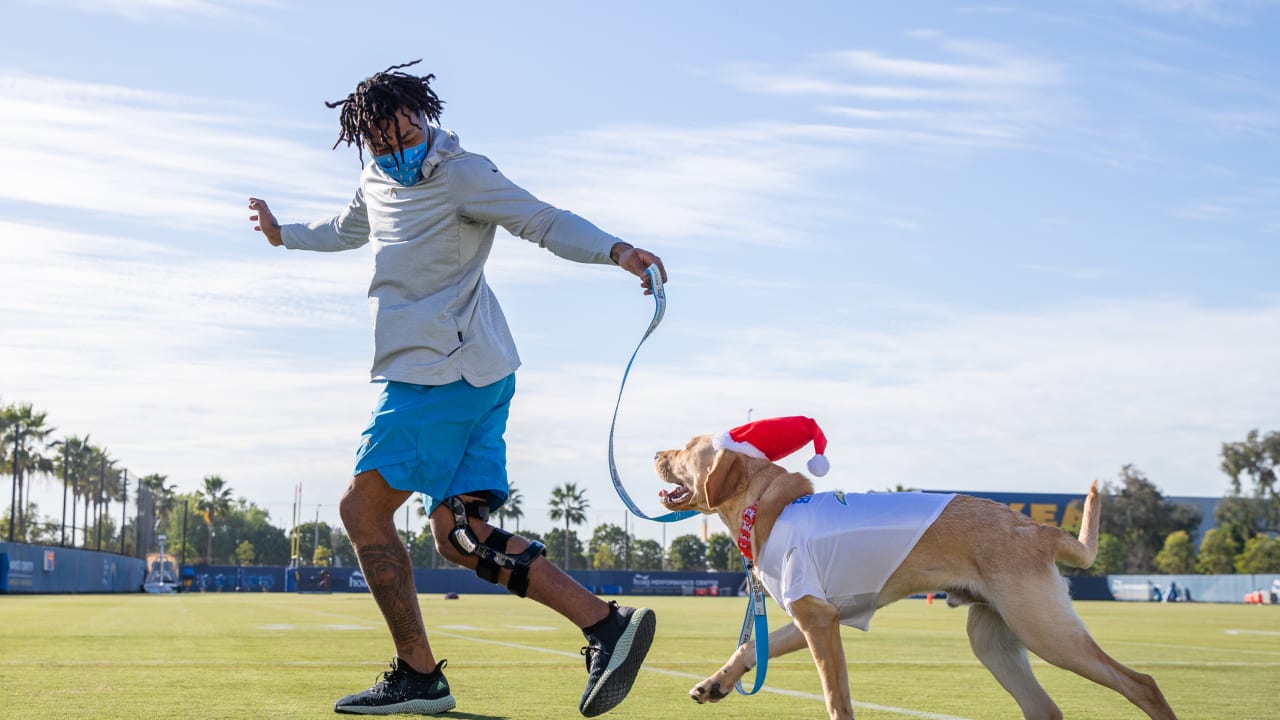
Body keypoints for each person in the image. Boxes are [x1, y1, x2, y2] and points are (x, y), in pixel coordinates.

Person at [247, 60, 661, 717]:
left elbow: (543, 220)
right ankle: (605, 626)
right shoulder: (374, 179)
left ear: (424, 116)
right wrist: (281, 236)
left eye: (405, 133)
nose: (396, 149)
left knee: (363, 510)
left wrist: (617, 249)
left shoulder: (463, 173)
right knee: (458, 537)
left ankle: (418, 676)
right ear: (366, 140)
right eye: (381, 141)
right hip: (479, 375)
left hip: (438, 373)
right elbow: (344, 231)